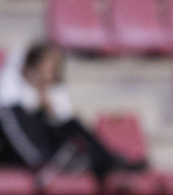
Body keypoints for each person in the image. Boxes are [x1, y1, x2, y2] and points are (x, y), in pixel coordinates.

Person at [0, 43, 146, 182]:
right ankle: (98, 163)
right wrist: (43, 164)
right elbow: (20, 135)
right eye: (48, 65)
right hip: (24, 159)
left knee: (72, 124)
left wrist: (47, 104)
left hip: (46, 154)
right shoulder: (12, 106)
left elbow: (63, 119)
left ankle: (105, 162)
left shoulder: (50, 93)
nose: (52, 71)